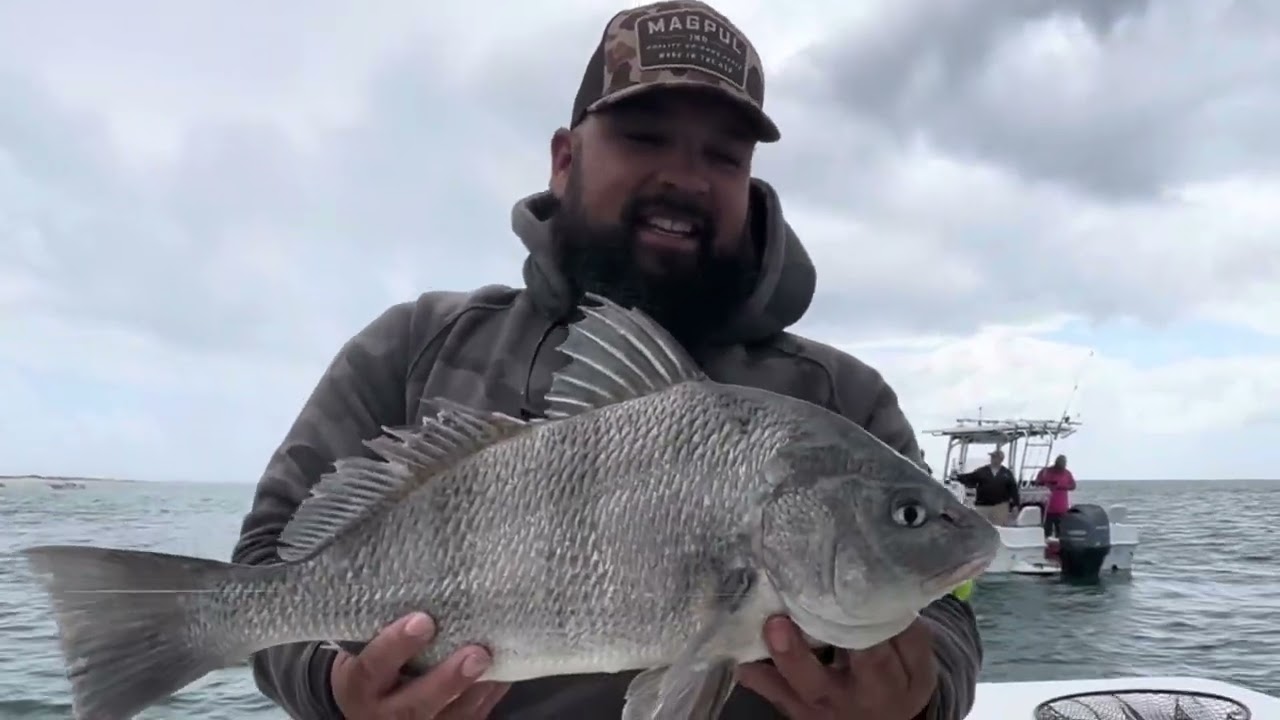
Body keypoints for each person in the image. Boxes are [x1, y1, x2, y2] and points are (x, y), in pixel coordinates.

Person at [230, 2, 984, 718]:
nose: (687, 178)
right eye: (644, 137)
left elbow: (947, 616)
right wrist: (337, 692)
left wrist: (918, 697)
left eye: (723, 156)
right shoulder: (412, 349)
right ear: (564, 159)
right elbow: (267, 576)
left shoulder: (842, 401)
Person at [955, 449, 1020, 526]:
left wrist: (1016, 505)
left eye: (995, 457)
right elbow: (970, 478)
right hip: (982, 507)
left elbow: (1014, 490)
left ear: (1001, 459)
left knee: (999, 529)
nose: (993, 459)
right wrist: (957, 477)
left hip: (1000, 507)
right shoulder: (982, 471)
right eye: (992, 457)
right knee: (980, 527)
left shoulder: (1007, 473)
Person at [1036, 454, 1077, 538]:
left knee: (1061, 533)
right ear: (1056, 462)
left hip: (1062, 509)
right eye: (1061, 463)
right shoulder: (1046, 472)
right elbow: (1037, 483)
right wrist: (1047, 485)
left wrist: (1062, 487)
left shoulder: (1067, 473)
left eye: (1064, 463)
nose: (1062, 465)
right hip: (1047, 508)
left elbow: (1073, 486)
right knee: (1046, 533)